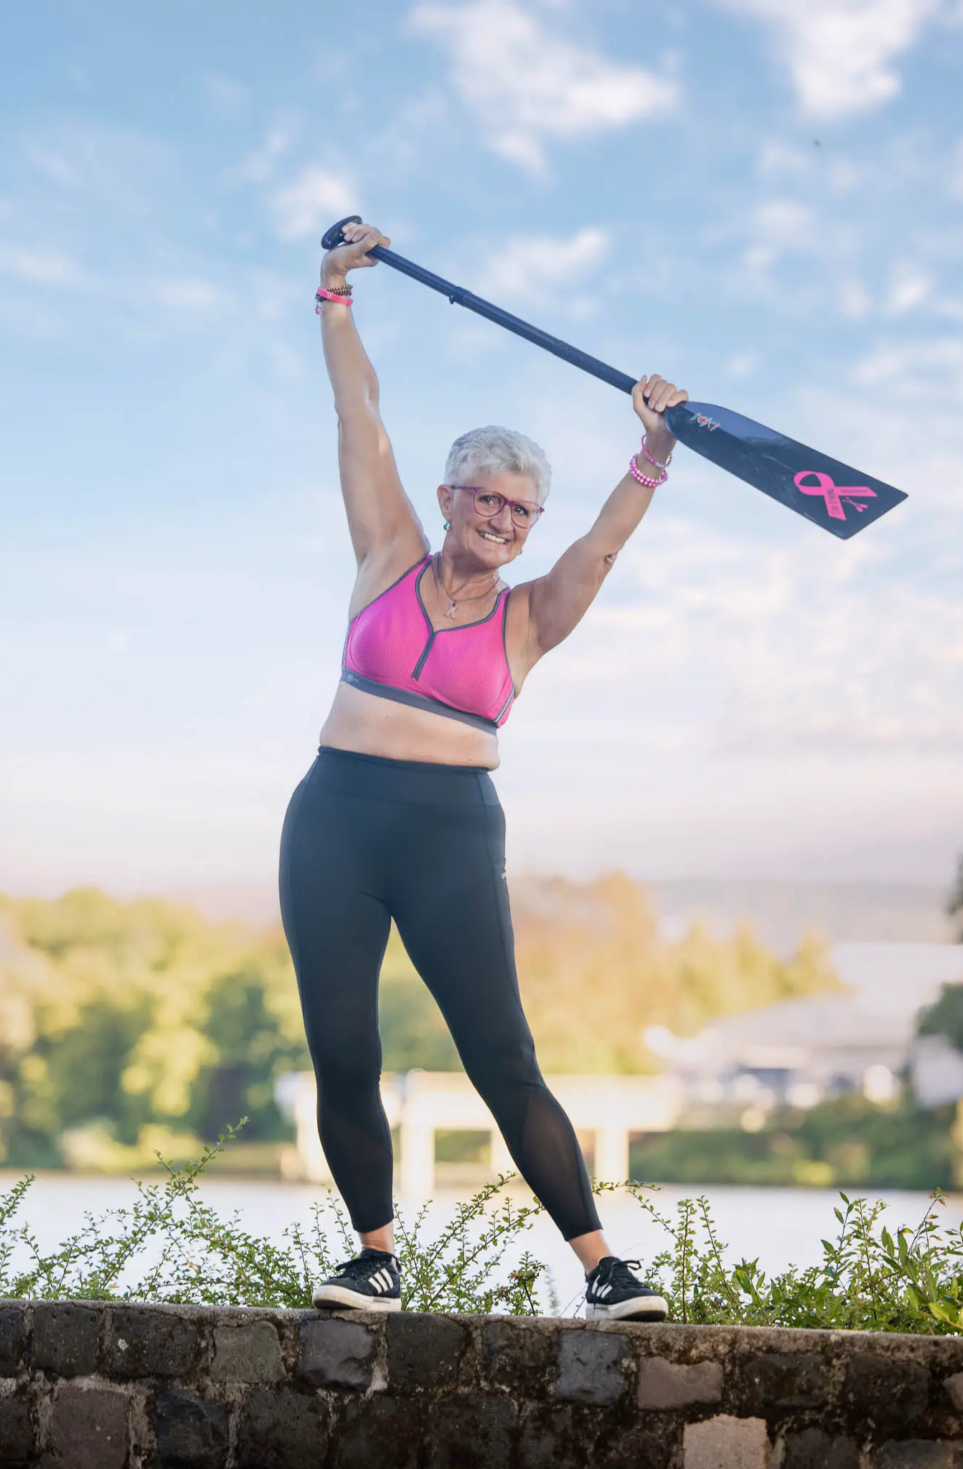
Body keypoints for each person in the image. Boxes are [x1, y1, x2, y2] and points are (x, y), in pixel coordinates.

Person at [279, 220, 688, 1322]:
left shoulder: (529, 618)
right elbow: (359, 418)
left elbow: (599, 547)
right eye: (488, 498)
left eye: (521, 509)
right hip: (333, 820)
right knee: (343, 1047)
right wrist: (335, 293)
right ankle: (373, 1257)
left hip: (449, 830)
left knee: (501, 1053)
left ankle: (603, 1266)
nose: (504, 519)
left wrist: (651, 453)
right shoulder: (386, 553)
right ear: (451, 496)